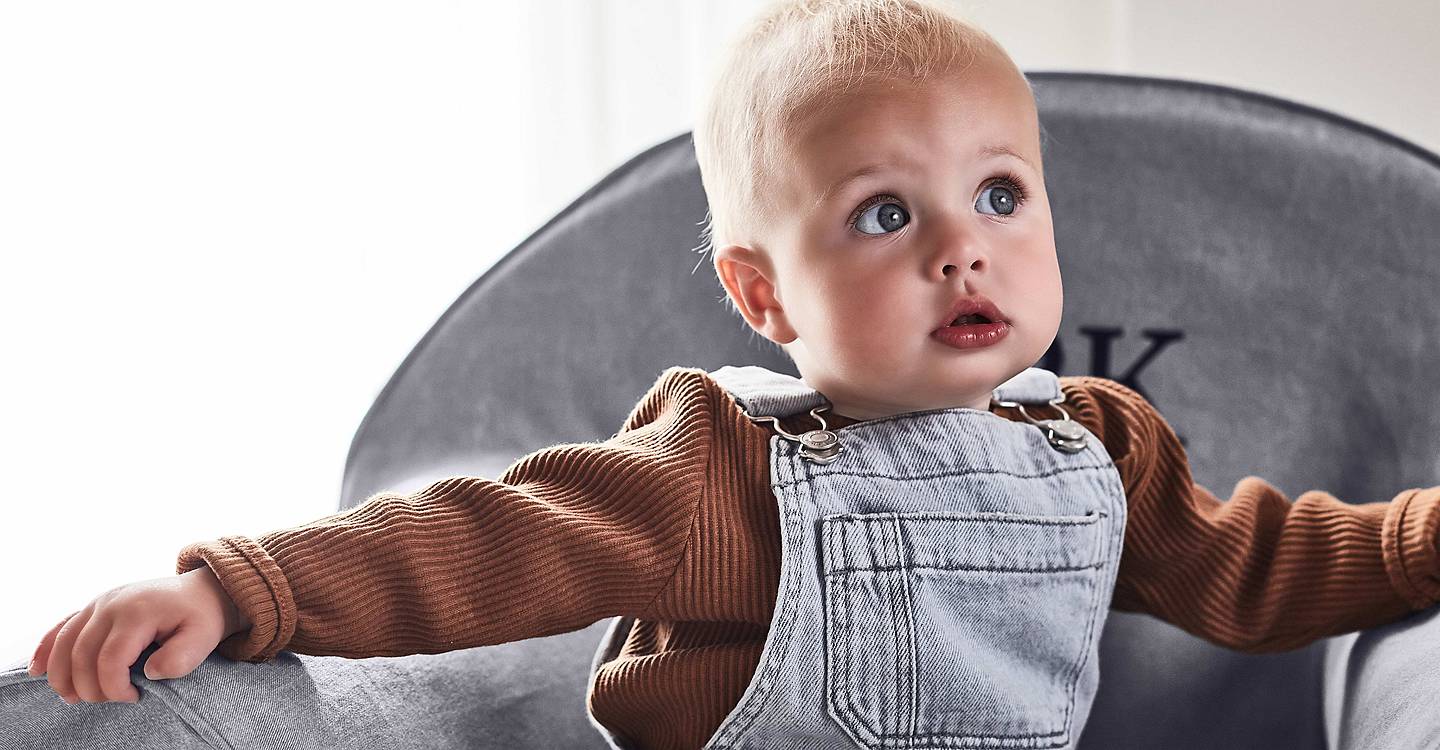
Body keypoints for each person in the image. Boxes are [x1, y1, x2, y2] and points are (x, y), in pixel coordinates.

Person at [14, 1, 1440, 749]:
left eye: (1001, 195)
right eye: (888, 215)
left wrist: (1417, 542)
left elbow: (1264, 565)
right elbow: (478, 539)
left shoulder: (1097, 452)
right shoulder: (723, 470)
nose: (964, 250)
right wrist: (237, 588)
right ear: (764, 294)